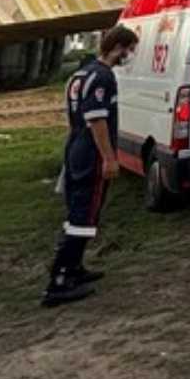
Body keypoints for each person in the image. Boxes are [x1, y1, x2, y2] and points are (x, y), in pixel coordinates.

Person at [42, 25, 139, 308]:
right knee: (84, 212)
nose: (130, 55)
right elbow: (97, 120)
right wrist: (109, 157)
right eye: (130, 49)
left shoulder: (81, 73)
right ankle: (60, 280)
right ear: (118, 47)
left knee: (79, 208)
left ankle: (74, 267)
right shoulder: (102, 77)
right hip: (91, 152)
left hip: (76, 146)